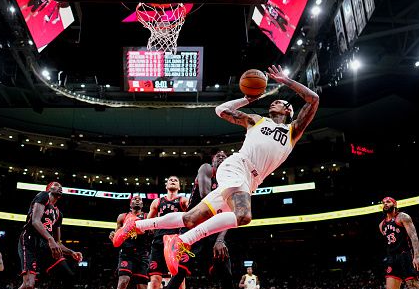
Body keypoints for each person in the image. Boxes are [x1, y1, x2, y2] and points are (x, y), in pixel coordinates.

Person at [115, 65, 319, 275]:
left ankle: (137, 226)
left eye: (280, 102)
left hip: (250, 181)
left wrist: (286, 81)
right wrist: (247, 99)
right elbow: (220, 110)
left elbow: (313, 99)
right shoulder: (256, 121)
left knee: (190, 219)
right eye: (273, 101)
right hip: (237, 166)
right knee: (243, 216)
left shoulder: (292, 131)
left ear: (289, 111)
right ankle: (182, 240)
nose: (274, 102)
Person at [152, 151, 249, 289]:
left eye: (225, 156)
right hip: (194, 231)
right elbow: (207, 199)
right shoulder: (206, 169)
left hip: (214, 232)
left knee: (227, 277)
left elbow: (230, 217)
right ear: (213, 161)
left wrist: (220, 240)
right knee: (177, 276)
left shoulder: (232, 181)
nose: (222, 157)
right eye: (218, 156)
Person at [114, 177, 189, 289]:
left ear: (179, 185)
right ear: (166, 184)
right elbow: (146, 225)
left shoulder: (183, 200)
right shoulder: (157, 202)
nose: (173, 181)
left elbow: (191, 218)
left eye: (176, 180)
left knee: (180, 282)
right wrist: (126, 230)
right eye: (170, 180)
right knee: (154, 282)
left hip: (177, 241)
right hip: (158, 242)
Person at [107, 196, 151, 289]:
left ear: (143, 204)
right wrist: (113, 235)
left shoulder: (147, 216)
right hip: (126, 253)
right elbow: (117, 235)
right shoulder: (122, 217)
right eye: (135, 199)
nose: (137, 200)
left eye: (139, 199)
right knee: (122, 282)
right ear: (130, 203)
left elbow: (152, 232)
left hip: (142, 254)